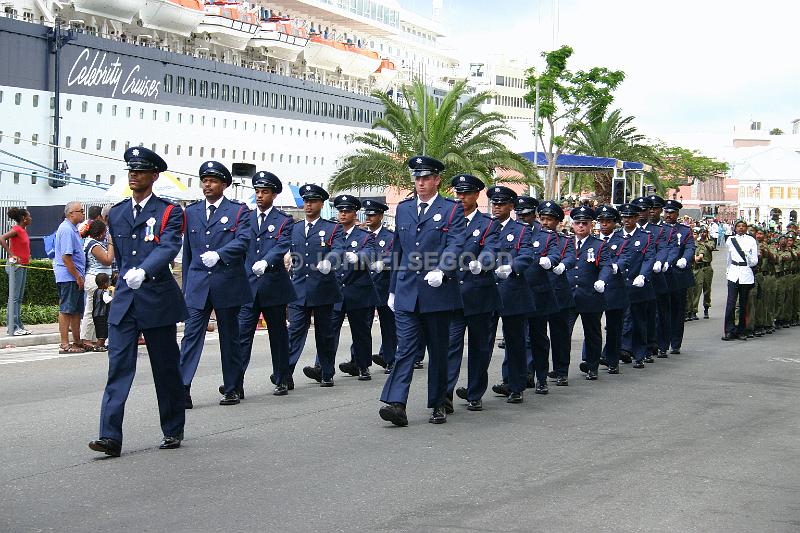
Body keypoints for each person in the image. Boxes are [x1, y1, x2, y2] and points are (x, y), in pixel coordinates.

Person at [89, 146, 188, 457]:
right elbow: (119, 253)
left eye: (141, 171)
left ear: (154, 176)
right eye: (131, 170)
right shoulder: (116, 213)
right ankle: (109, 436)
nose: (134, 175)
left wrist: (144, 271)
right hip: (125, 302)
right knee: (118, 369)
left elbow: (168, 247)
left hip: (156, 298)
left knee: (165, 368)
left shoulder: (170, 212)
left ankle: (172, 429)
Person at [379, 156, 466, 426]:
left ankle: (439, 401)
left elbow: (456, 244)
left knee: (438, 351)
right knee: (405, 348)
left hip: (437, 292)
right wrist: (393, 289)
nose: (420, 183)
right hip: (407, 291)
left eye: (426, 178)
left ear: (437, 180)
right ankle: (396, 403)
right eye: (417, 178)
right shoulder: (404, 209)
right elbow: (398, 249)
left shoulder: (451, 210)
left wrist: (442, 269)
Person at [180, 161, 252, 408]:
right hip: (199, 283)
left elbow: (243, 241)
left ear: (224, 184)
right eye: (204, 180)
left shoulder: (239, 211)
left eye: (212, 181)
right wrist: (186, 289)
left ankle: (232, 387)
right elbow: (188, 253)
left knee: (230, 338)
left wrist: (221, 254)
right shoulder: (191, 212)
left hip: (227, 281)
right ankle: (182, 388)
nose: (207, 185)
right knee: (190, 337)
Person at [235, 171, 296, 396]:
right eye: (257, 192)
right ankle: (235, 383)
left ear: (274, 195)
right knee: (242, 337)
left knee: (278, 336)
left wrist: (267, 261)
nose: (260, 196)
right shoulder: (246, 218)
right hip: (248, 287)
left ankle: (282, 377)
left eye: (265, 192)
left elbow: (282, 245)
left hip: (273, 286)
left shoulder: (283, 220)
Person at [446, 174, 500, 412]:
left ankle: (475, 392)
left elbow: (492, 249)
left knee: (479, 348)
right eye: (458, 193)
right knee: (450, 347)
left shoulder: (488, 224)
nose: (461, 198)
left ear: (476, 195)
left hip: (479, 295)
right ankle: (444, 394)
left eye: (466, 193)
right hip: (452, 296)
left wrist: (482, 263)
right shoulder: (447, 221)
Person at [287, 184, 344, 387]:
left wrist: (330, 260)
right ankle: (285, 374)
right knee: (294, 333)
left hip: (323, 288)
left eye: (313, 201)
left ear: (321, 204)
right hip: (299, 289)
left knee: (325, 333)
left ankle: (326, 372)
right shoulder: (294, 228)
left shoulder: (332, 228)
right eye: (306, 201)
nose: (308, 205)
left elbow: (339, 249)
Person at [486, 186, 535, 402]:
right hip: (486, 291)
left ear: (511, 207)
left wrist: (512, 267)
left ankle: (516, 386)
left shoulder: (522, 230)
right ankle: (475, 389)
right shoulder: (485, 227)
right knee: (482, 343)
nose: (497, 207)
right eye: (494, 203)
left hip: (512, 291)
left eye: (502, 203)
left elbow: (526, 255)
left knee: (515, 342)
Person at [325, 194, 377, 381]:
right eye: (340, 211)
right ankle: (326, 370)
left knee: (361, 332)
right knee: (329, 332)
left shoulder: (364, 236)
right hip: (335, 290)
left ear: (355, 213)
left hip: (358, 289)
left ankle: (363, 366)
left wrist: (359, 258)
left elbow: (371, 253)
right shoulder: (331, 233)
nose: (343, 214)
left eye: (347, 211)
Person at [515, 196, 560, 393]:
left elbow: (555, 253)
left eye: (526, 215)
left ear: (534, 215)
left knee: (538, 338)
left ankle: (541, 377)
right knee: (516, 339)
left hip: (538, 294)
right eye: (519, 214)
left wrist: (549, 261)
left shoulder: (545, 235)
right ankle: (519, 378)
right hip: (516, 292)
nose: (522, 218)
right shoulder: (512, 232)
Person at [567, 206, 613, 380]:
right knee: (564, 333)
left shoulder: (599, 245)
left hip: (590, 295)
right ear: (572, 225)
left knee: (592, 333)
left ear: (591, 225)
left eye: (584, 223)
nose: (580, 226)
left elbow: (606, 265)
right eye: (577, 223)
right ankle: (561, 368)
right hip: (569, 295)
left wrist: (602, 279)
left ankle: (592, 365)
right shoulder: (566, 243)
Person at [538, 201, 576, 386]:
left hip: (559, 292)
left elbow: (570, 256)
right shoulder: (533, 237)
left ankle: (561, 371)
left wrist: (562, 265)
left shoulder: (566, 240)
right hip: (539, 293)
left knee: (560, 335)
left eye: (549, 219)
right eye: (542, 219)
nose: (545, 223)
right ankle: (535, 371)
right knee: (536, 335)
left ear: (558, 222)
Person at [617, 203, 656, 369]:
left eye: (630, 217)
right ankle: (620, 350)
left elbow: (649, 258)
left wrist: (643, 275)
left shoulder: (645, 236)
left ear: (635, 218)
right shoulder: (616, 236)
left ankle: (640, 354)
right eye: (624, 217)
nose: (627, 220)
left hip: (638, 283)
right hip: (620, 284)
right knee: (619, 320)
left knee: (639, 320)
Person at [361, 200, 396, 374]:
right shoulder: (360, 235)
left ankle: (390, 359)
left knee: (388, 326)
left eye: (373, 214)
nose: (369, 217)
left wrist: (384, 263)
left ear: (381, 216)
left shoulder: (389, 237)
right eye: (367, 214)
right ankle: (359, 361)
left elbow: (396, 255)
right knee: (361, 326)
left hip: (383, 285)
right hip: (364, 286)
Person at [593, 205, 629, 375]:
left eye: (608, 221)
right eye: (602, 221)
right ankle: (590, 359)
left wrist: (613, 267)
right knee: (592, 326)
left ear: (615, 223)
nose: (604, 224)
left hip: (615, 288)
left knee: (614, 327)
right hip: (595, 290)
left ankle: (613, 360)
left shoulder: (622, 241)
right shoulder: (593, 241)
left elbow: (625, 259)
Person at [661, 199, 695, 354]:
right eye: (666, 212)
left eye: (671, 213)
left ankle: (675, 343)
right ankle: (662, 343)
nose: (668, 215)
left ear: (677, 214)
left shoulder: (684, 230)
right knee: (662, 311)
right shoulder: (658, 229)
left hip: (678, 274)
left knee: (678, 310)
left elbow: (689, 247)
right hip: (662, 275)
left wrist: (685, 259)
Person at [54, 201, 87, 354]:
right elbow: (66, 257)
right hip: (69, 277)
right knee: (67, 309)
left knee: (76, 311)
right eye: (80, 210)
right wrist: (77, 277)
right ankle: (65, 343)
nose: (83, 213)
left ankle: (77, 341)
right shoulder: (67, 229)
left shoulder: (73, 229)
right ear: (71, 213)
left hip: (74, 276)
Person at [80, 220, 114, 348]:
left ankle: (94, 339)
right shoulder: (94, 245)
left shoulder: (92, 242)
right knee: (91, 310)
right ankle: (86, 339)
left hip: (98, 279)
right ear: (100, 234)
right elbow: (107, 260)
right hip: (95, 280)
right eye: (105, 232)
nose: (106, 235)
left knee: (98, 311)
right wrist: (111, 243)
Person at [722, 220, 758, 340]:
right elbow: (728, 258)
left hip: (746, 273)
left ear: (746, 228)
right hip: (733, 272)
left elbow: (754, 261)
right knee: (731, 304)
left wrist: (748, 258)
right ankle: (729, 330)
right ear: (735, 228)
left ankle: (742, 330)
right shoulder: (730, 240)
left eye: (743, 226)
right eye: (738, 226)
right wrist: (728, 272)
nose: (741, 228)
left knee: (743, 304)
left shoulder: (751, 240)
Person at [0, 207, 32, 336]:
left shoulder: (23, 230)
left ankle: (18, 325)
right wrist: (11, 254)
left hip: (23, 265)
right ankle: (12, 327)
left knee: (18, 297)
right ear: (24, 219)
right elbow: (2, 238)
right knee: (14, 297)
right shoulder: (16, 229)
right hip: (16, 266)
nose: (31, 218)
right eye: (29, 216)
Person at [91, 272, 112, 351]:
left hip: (96, 314)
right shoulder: (104, 293)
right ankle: (98, 346)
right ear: (105, 283)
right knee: (103, 332)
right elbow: (109, 300)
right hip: (102, 315)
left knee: (99, 330)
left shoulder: (96, 291)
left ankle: (101, 345)